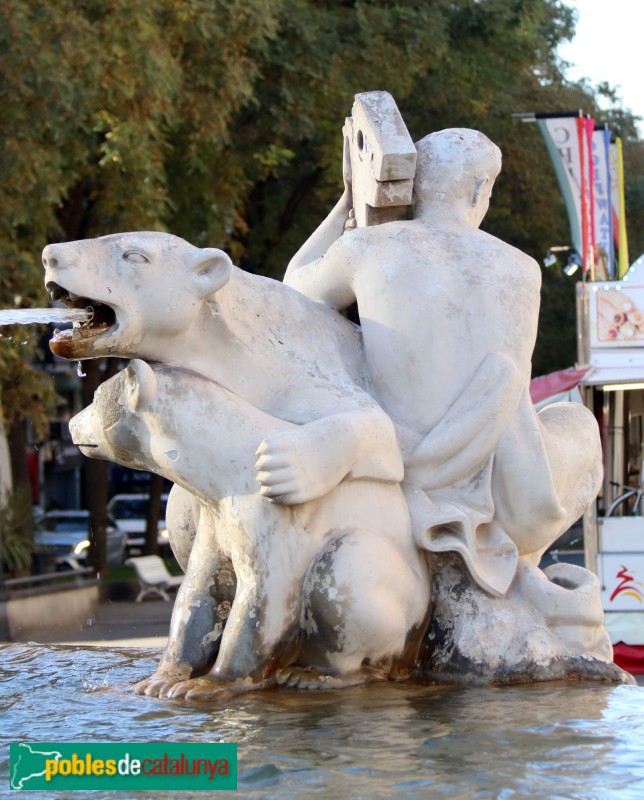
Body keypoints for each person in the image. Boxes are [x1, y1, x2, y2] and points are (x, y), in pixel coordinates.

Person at [285, 128, 601, 596]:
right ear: (479, 189)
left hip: (400, 457)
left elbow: (293, 290)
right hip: (507, 487)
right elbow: (515, 390)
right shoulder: (521, 268)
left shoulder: (369, 247)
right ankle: (522, 564)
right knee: (578, 423)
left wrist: (348, 201)